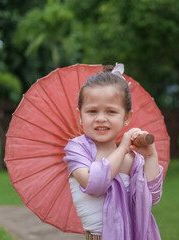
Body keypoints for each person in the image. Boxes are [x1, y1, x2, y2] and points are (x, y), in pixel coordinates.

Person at [63, 63, 163, 240]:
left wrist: (150, 156)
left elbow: (151, 197)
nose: (101, 118)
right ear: (80, 116)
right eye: (92, 111)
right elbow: (95, 184)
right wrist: (123, 148)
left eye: (111, 111)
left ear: (126, 117)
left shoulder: (131, 158)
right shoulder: (77, 150)